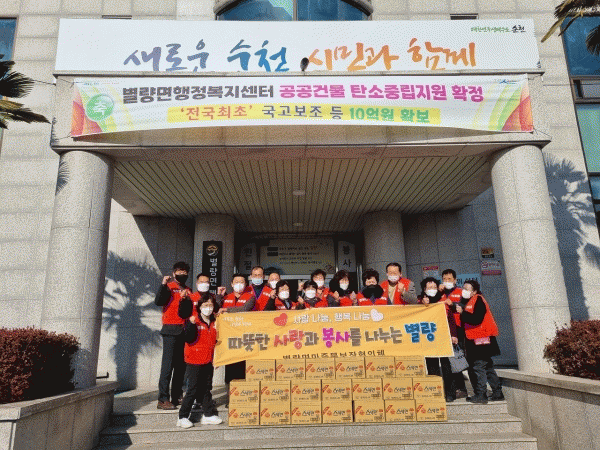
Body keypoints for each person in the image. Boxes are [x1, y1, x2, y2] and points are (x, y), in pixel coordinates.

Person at [176, 293, 222, 428]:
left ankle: (208, 415)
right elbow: (188, 338)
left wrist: (217, 358)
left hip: (208, 360)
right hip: (194, 360)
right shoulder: (194, 320)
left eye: (210, 305)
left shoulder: (215, 321)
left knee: (206, 388)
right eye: (205, 305)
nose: (208, 308)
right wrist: (190, 324)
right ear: (200, 307)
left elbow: (217, 341)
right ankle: (182, 417)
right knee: (193, 389)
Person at [455, 279, 504, 404]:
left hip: (482, 340)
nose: (464, 291)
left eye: (467, 289)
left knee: (479, 367)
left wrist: (462, 313)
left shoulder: (478, 300)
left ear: (474, 291)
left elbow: (477, 318)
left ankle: (481, 394)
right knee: (487, 367)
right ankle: (497, 393)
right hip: (477, 339)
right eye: (463, 288)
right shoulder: (468, 301)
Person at [154, 261, 191, 410]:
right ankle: (163, 398)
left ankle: (176, 395)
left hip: (184, 330)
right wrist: (163, 284)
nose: (182, 274)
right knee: (168, 365)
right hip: (170, 329)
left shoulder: (188, 290)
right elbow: (159, 301)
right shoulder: (169, 287)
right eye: (179, 271)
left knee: (181, 366)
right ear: (174, 273)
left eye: (184, 272)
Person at [419, 277, 458, 402]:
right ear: (424, 289)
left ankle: (450, 393)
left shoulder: (443, 299)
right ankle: (435, 392)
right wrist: (422, 303)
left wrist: (454, 335)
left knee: (446, 365)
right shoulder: (420, 301)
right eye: (429, 287)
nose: (432, 289)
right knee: (432, 366)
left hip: (443, 336)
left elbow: (451, 318)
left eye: (434, 287)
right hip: (429, 338)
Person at [217, 274, 256, 391]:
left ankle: (242, 392)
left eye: (241, 282)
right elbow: (216, 309)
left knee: (242, 365)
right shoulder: (226, 297)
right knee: (230, 365)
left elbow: (244, 309)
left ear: (246, 284)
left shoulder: (250, 297)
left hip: (244, 337)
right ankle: (230, 394)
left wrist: (226, 310)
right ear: (232, 284)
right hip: (229, 337)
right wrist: (219, 296)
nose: (239, 284)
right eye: (236, 282)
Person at [439, 269, 469, 399]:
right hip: (444, 330)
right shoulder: (440, 293)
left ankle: (462, 388)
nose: (447, 281)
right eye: (444, 279)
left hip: (459, 330)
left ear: (455, 280)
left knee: (457, 359)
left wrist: (453, 304)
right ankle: (453, 389)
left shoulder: (461, 292)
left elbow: (465, 307)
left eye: (449, 279)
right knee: (447, 362)